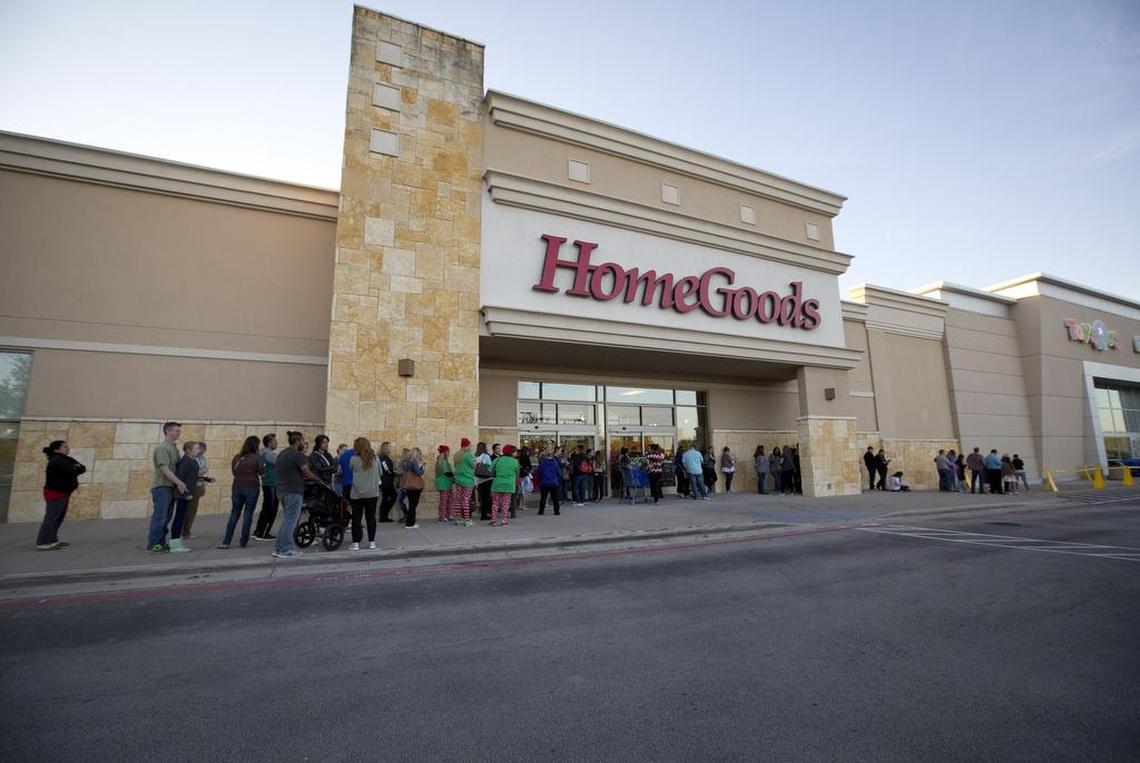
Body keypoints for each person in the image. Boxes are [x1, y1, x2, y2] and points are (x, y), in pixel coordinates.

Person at [273, 431, 328, 558]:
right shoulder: (298, 455)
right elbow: (306, 471)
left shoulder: (282, 453)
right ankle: (286, 549)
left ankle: (278, 548)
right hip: (293, 491)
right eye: (303, 441)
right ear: (297, 442)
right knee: (291, 521)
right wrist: (319, 481)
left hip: (281, 490)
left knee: (287, 520)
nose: (304, 443)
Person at [36, 440, 86, 550]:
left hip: (63, 492)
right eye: (64, 447)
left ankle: (52, 539)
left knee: (58, 517)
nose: (67, 448)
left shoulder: (66, 459)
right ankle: (43, 542)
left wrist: (76, 468)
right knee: (52, 517)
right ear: (56, 449)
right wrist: (75, 468)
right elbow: (72, 470)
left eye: (67, 446)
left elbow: (82, 468)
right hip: (55, 492)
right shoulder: (56, 460)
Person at [147, 422, 186, 553]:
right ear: (167, 431)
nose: (178, 433)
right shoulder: (163, 448)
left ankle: (161, 542)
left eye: (179, 431)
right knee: (160, 516)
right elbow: (164, 469)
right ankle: (153, 543)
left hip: (170, 486)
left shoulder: (173, 448)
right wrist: (179, 482)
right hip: (162, 486)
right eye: (176, 431)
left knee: (167, 517)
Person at [220, 435, 263, 549]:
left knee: (234, 513)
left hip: (237, 486)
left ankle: (226, 541)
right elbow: (261, 472)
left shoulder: (237, 457)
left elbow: (234, 472)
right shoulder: (256, 457)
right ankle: (243, 541)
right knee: (248, 514)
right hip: (251, 487)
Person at [168, 441, 203, 552]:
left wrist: (206, 479)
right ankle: (175, 544)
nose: (198, 451)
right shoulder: (185, 462)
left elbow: (192, 476)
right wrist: (186, 494)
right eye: (196, 448)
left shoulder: (191, 461)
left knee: (182, 517)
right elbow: (180, 479)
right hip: (183, 494)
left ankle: (177, 542)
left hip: (188, 493)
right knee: (179, 518)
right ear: (188, 450)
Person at [348, 437, 381, 550]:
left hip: (357, 493)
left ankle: (355, 543)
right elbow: (380, 473)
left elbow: (351, 470)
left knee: (356, 518)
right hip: (372, 492)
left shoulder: (353, 459)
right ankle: (372, 542)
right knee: (370, 518)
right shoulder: (376, 458)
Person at [181, 441, 213, 539]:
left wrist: (205, 476)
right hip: (190, 487)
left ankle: (187, 530)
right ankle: (184, 531)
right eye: (197, 449)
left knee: (193, 510)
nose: (200, 451)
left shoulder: (202, 458)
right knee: (187, 510)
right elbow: (190, 473)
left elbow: (204, 470)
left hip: (199, 485)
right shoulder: (188, 460)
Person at [252, 433, 279, 541]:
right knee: (271, 509)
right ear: (269, 443)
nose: (276, 443)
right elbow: (281, 464)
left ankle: (259, 531)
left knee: (266, 508)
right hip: (272, 483)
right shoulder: (270, 454)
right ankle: (263, 533)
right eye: (275, 441)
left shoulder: (261, 453)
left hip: (267, 483)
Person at [489, 444, 520, 525]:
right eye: (514, 451)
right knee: (505, 503)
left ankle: (493, 520)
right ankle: (504, 520)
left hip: (497, 483)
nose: (516, 453)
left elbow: (490, 469)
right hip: (509, 484)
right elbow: (517, 473)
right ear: (511, 452)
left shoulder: (498, 459)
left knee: (495, 503)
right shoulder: (515, 461)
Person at [452, 438, 475, 527]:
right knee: (466, 500)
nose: (470, 447)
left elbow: (455, 466)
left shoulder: (456, 454)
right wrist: (475, 461)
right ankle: (467, 520)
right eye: (470, 446)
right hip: (467, 480)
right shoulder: (468, 455)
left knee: (458, 500)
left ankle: (459, 519)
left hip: (458, 479)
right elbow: (473, 466)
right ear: (466, 446)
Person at [400, 448, 425, 528]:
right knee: (413, 504)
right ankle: (410, 523)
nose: (420, 455)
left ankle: (410, 522)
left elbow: (405, 470)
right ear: (416, 454)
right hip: (415, 486)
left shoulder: (406, 461)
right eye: (419, 454)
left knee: (411, 503)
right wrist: (422, 468)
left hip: (408, 484)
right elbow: (418, 473)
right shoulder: (414, 461)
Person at [536, 449, 562, 515]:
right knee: (555, 498)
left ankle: (541, 511)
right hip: (554, 482)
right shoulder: (555, 463)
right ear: (552, 456)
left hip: (544, 483)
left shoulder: (542, 463)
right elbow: (559, 473)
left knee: (543, 498)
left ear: (545, 456)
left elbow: (539, 472)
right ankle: (556, 511)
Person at [435, 445, 455, 524]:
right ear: (445, 452)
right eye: (448, 451)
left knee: (447, 500)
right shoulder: (442, 461)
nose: (449, 453)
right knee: (444, 500)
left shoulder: (441, 460)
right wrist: (456, 474)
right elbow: (447, 473)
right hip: (444, 483)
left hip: (445, 483)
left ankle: (446, 515)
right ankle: (442, 517)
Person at [378, 441, 397, 522]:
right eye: (389, 446)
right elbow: (387, 469)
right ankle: (383, 516)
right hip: (386, 482)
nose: (390, 448)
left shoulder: (385, 457)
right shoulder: (382, 457)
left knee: (385, 499)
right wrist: (394, 473)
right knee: (392, 497)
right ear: (385, 448)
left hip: (387, 481)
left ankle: (383, 516)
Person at [474, 441, 493, 521]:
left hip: (479, 479)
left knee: (482, 498)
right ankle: (487, 514)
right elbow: (490, 466)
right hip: (487, 479)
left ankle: (483, 514)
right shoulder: (486, 456)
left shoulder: (474, 456)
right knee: (487, 497)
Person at [515, 445, 533, 516]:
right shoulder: (526, 458)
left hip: (519, 475)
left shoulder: (517, 458)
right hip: (525, 475)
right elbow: (530, 467)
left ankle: (519, 505)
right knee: (524, 491)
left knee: (520, 490)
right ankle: (523, 505)